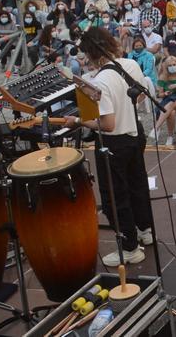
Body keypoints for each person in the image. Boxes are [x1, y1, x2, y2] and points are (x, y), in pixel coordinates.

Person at [65, 27, 154, 266]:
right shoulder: (130, 64)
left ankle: (129, 247)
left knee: (116, 195)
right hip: (136, 135)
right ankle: (146, 230)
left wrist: (78, 120)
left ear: (91, 53)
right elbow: (141, 96)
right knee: (137, 184)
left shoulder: (99, 82)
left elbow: (108, 124)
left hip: (115, 143)